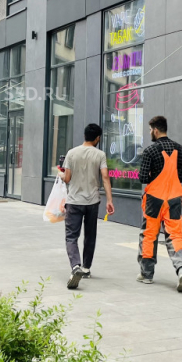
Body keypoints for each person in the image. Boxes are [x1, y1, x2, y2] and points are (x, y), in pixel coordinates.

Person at [137, 115, 182, 292]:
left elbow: (142, 177)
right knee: (175, 235)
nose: (150, 132)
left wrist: (155, 178)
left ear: (155, 130)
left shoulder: (150, 151)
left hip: (154, 199)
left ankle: (147, 274)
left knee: (149, 234)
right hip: (174, 197)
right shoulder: (180, 149)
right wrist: (175, 179)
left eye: (150, 130)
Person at [60, 123, 115, 290]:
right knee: (90, 236)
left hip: (74, 201)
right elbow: (105, 177)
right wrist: (110, 200)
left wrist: (60, 173)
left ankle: (75, 266)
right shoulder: (100, 154)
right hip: (92, 202)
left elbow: (67, 178)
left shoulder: (71, 153)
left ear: (85, 135)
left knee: (71, 236)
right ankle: (86, 268)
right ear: (97, 138)